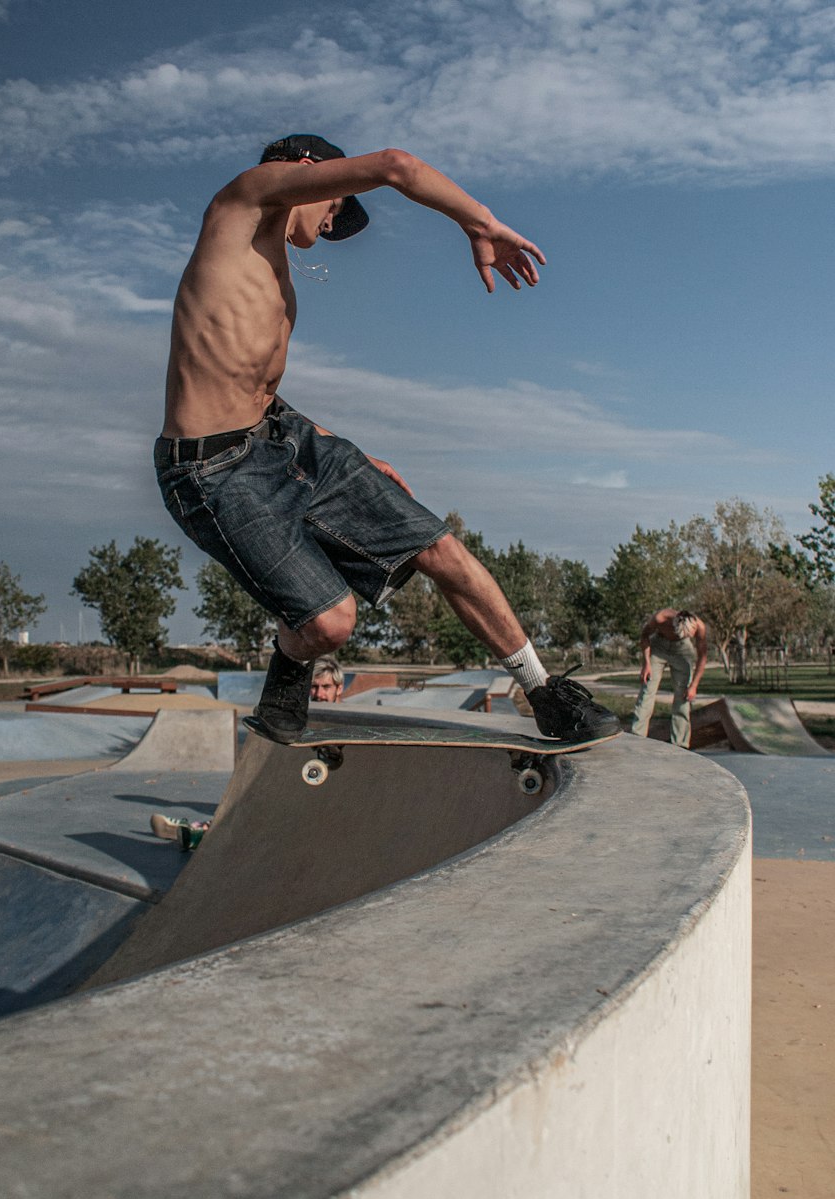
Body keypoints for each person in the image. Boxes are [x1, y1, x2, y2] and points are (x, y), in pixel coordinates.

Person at [154, 133, 618, 745]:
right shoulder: (243, 200)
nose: (333, 220)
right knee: (329, 623)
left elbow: (251, 383)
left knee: (438, 547)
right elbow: (397, 166)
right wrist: (480, 224)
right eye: (335, 204)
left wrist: (330, 447)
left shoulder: (274, 268)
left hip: (282, 437)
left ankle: (544, 693)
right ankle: (287, 677)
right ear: (308, 172)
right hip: (211, 469)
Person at [149, 655, 346, 849]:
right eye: (314, 687)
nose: (319, 694)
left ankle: (203, 830)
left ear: (339, 688)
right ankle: (200, 831)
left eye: (326, 687)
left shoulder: (354, 723)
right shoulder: (300, 721)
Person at [628, 609, 708, 747]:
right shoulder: (660, 618)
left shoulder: (700, 627)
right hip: (659, 646)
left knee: (683, 696)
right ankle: (637, 738)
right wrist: (646, 663)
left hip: (682, 651)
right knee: (647, 691)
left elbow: (703, 657)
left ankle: (680, 744)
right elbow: (644, 635)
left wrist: (693, 686)